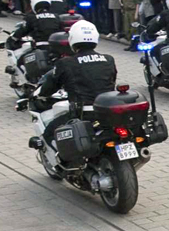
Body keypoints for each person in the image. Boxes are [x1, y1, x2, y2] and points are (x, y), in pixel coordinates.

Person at [33, 21, 117, 161]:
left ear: (72, 39)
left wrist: (40, 94)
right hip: (106, 112)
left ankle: (64, 164)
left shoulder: (66, 63)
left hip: (82, 113)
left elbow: (50, 87)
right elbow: (111, 81)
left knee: (48, 134)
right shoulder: (109, 59)